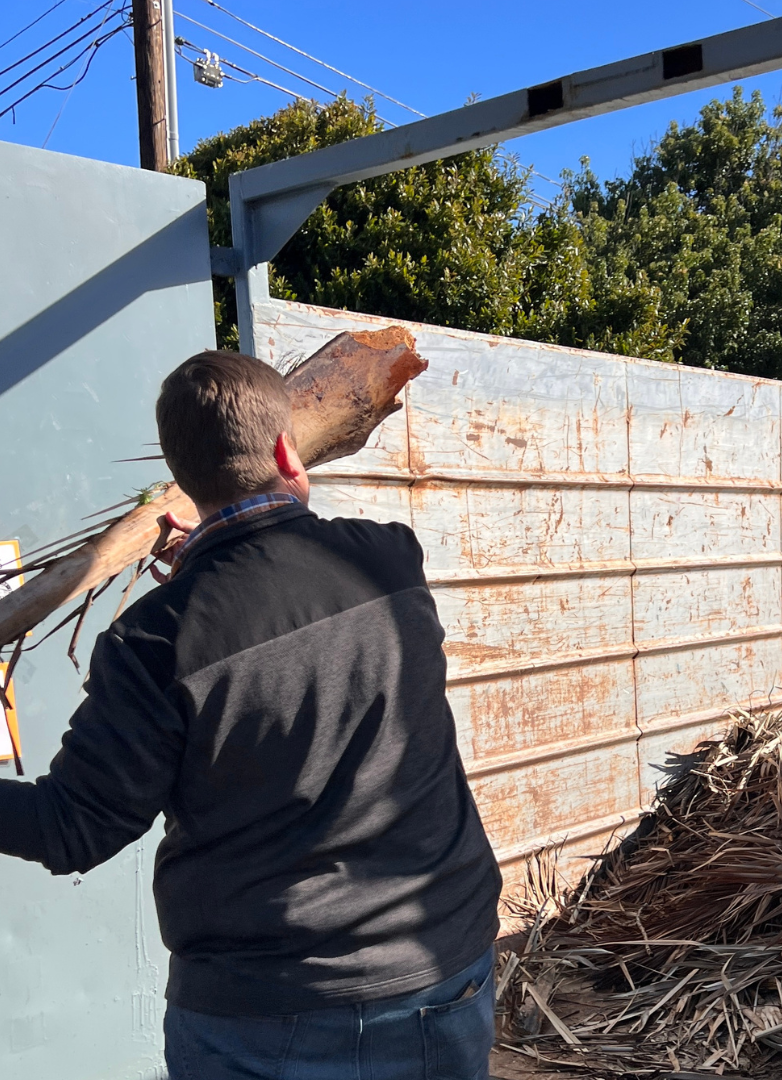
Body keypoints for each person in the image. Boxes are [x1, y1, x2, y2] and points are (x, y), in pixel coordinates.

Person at [0, 350, 502, 1079]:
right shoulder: (392, 561)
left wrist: (199, 572)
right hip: (437, 973)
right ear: (283, 450)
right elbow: (282, 597)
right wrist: (214, 554)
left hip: (257, 1020)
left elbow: (70, 829)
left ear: (185, 478)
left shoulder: (152, 644)